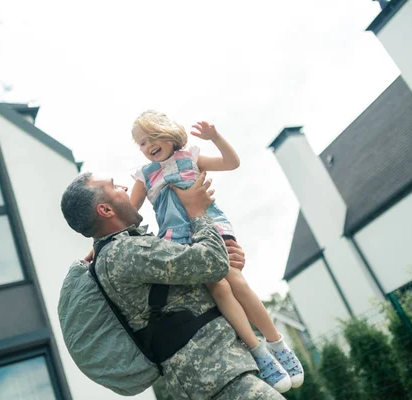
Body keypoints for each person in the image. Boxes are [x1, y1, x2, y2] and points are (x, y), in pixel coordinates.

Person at [61, 171, 285, 399]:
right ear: (105, 210)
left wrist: (228, 260)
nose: (125, 188)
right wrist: (196, 211)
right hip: (216, 377)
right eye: (114, 186)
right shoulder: (123, 252)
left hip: (217, 375)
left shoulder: (121, 250)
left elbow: (206, 268)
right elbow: (211, 261)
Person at [129, 110, 303, 392]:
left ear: (168, 132)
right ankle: (258, 350)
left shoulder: (190, 157)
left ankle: (277, 344)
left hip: (211, 228)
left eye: (151, 138)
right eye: (140, 144)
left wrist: (216, 138)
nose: (147, 147)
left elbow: (231, 163)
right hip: (179, 240)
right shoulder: (145, 176)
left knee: (236, 281)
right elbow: (130, 212)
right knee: (219, 288)